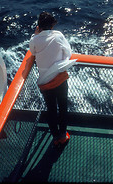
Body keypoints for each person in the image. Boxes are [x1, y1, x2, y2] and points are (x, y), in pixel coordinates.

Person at [29, 11, 76, 146]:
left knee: (51, 109)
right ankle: (63, 135)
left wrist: (36, 35)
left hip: (45, 81)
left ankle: (55, 137)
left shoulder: (34, 40)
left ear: (39, 26)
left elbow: (32, 52)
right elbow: (68, 53)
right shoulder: (58, 36)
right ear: (52, 25)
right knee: (62, 107)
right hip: (60, 78)